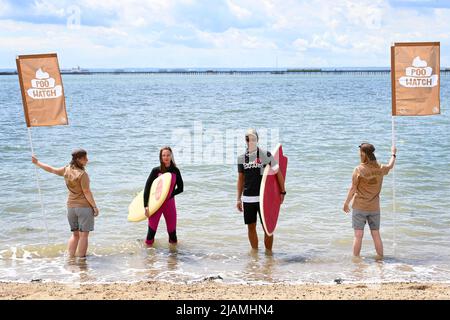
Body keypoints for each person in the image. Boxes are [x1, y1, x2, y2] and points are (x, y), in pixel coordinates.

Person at [31, 148, 99, 258]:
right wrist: (95, 207)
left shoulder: (66, 169)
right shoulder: (82, 174)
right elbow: (86, 192)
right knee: (84, 236)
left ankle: (71, 258)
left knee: (75, 235)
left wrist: (37, 163)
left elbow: (52, 169)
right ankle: (81, 260)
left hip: (71, 208)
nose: (87, 160)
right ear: (78, 159)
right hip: (84, 208)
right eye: (85, 158)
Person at [343, 143, 397, 259]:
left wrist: (346, 203)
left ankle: (356, 262)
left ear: (363, 154)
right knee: (376, 234)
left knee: (358, 235)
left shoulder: (358, 169)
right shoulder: (380, 168)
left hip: (360, 207)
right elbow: (390, 165)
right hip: (374, 207)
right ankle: (380, 260)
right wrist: (393, 153)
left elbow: (353, 189)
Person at [236, 129, 286, 252]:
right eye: (247, 139)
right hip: (248, 198)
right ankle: (255, 255)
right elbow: (240, 179)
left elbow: (277, 172)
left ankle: (269, 255)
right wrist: (238, 198)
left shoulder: (265, 155)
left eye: (253, 138)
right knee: (251, 227)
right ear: (245, 141)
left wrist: (282, 191)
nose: (250, 141)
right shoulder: (242, 158)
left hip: (264, 198)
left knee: (267, 228)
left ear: (257, 140)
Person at [143, 146, 183, 246]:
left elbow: (181, 188)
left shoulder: (175, 171)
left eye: (168, 155)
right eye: (163, 155)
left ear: (171, 156)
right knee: (150, 234)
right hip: (156, 205)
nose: (166, 157)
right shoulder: (156, 171)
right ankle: (148, 258)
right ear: (161, 157)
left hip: (169, 205)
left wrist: (169, 195)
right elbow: (147, 188)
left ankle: (174, 258)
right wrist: (146, 206)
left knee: (173, 235)